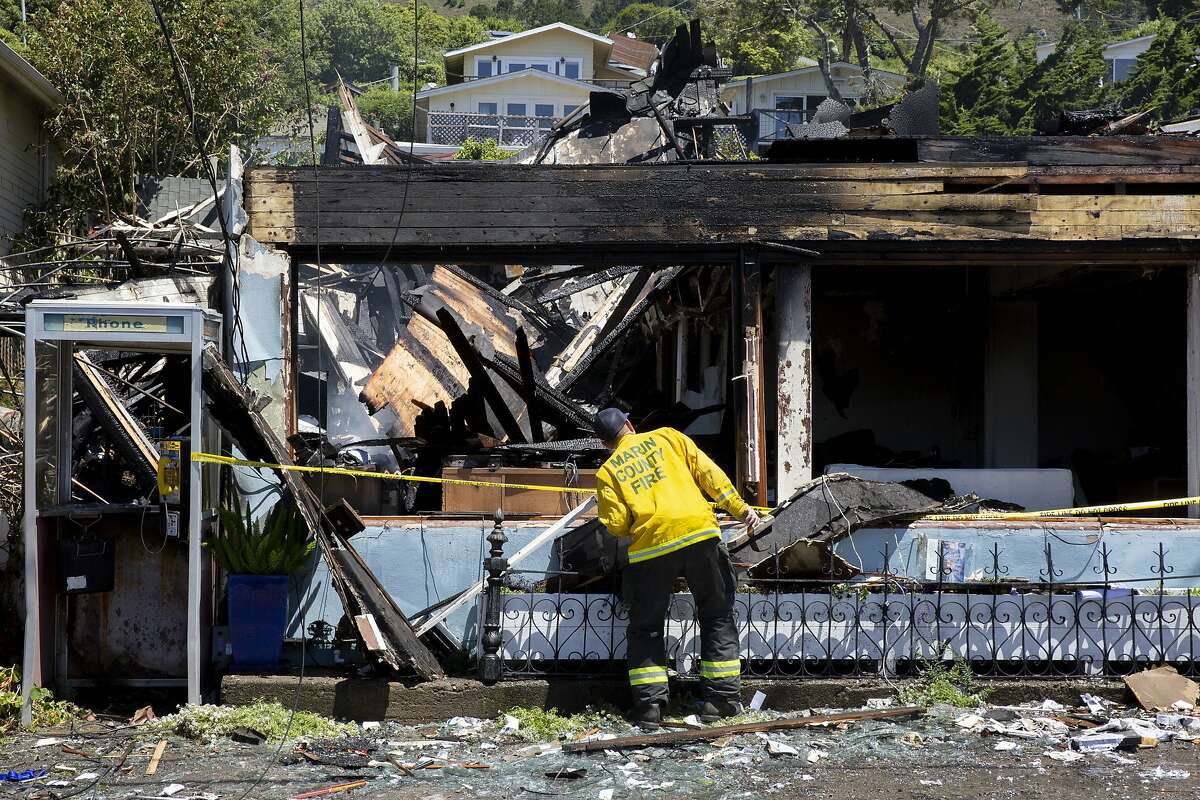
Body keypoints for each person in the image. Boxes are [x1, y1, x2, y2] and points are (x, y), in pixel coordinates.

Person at [592, 407, 761, 727]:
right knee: (717, 615)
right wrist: (739, 509)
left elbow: (617, 525)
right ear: (630, 424)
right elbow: (709, 474)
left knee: (646, 627)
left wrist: (642, 519)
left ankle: (650, 707)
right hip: (700, 534)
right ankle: (721, 701)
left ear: (605, 444)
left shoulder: (607, 472)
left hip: (652, 548)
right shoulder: (668, 437)